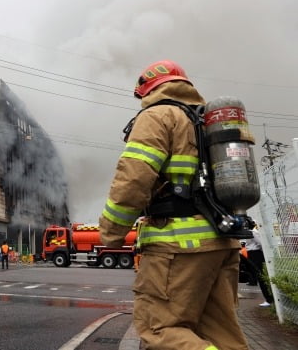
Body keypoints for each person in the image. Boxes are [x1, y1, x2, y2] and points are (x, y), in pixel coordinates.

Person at [98, 60, 248, 350]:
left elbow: (133, 178)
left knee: (161, 329)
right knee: (222, 335)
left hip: (178, 249)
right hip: (224, 244)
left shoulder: (158, 116)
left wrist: (111, 233)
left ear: (146, 90)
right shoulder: (208, 121)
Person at [244, 227, 274, 307]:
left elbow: (261, 243)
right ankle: (269, 299)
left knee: (260, 276)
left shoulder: (253, 232)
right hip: (252, 254)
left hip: (255, 254)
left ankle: (269, 299)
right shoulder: (249, 231)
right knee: (258, 275)